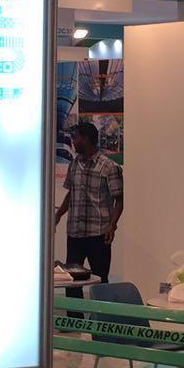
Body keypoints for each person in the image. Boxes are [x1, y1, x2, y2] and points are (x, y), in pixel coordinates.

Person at [54, 120, 124, 283]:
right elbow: (71, 193)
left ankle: (98, 302)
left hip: (98, 234)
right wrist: (58, 215)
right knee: (71, 280)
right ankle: (73, 303)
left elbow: (119, 200)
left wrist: (112, 226)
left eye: (76, 137)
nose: (73, 141)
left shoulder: (109, 167)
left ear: (85, 139)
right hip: (75, 233)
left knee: (100, 280)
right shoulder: (74, 164)